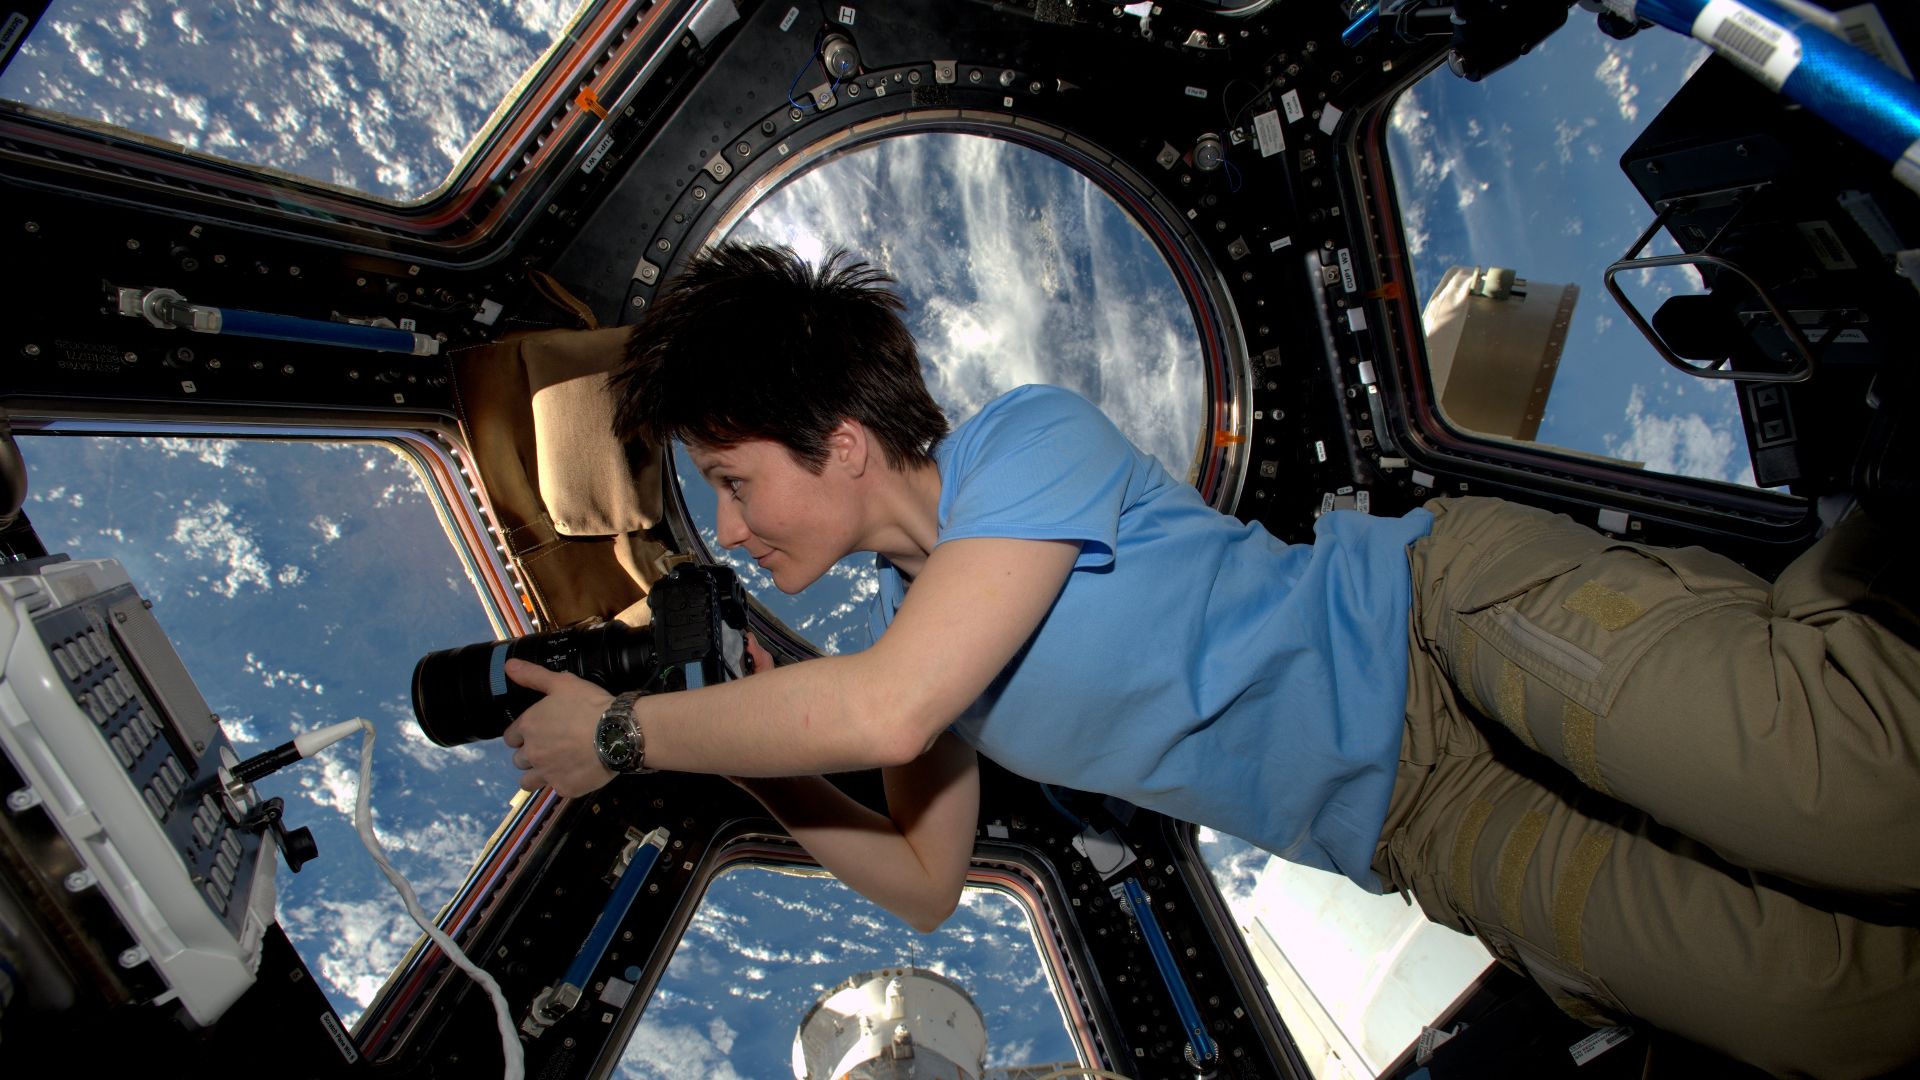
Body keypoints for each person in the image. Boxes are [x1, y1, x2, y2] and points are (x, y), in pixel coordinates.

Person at [500, 243, 1920, 1077]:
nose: (733, 529)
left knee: (1862, 790)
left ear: (846, 441)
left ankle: (1856, 564)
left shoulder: (1020, 448)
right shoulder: (923, 654)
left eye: (735, 481)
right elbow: (926, 888)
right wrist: (746, 770)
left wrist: (631, 735)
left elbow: (890, 700)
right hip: (1427, 824)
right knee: (1835, 1015)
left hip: (1444, 637)